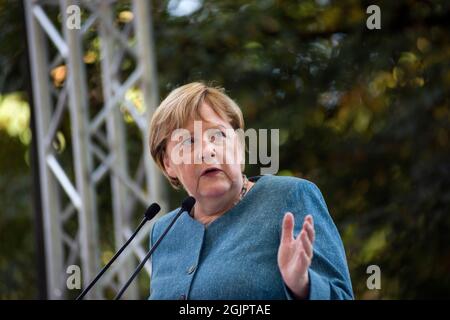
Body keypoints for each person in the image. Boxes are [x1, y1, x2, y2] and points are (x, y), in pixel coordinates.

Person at [147, 82, 353, 300]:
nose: (208, 150)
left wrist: (302, 286)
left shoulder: (289, 197)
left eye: (218, 135)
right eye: (189, 141)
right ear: (168, 163)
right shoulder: (163, 232)